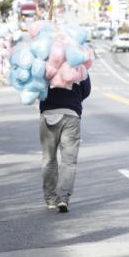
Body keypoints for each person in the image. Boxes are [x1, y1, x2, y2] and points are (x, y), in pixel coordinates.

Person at [39, 75, 91, 213]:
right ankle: (63, 198)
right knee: (69, 161)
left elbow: (37, 86)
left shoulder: (46, 60)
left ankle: (51, 199)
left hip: (49, 113)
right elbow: (86, 89)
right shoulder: (78, 62)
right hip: (71, 114)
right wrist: (73, 98)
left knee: (48, 159)